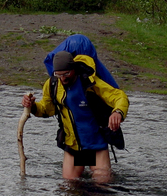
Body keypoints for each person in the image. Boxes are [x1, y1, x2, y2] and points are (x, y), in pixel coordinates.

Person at [21, 49, 128, 181]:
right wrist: (32, 106)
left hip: (96, 146)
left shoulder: (88, 82)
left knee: (102, 187)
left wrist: (117, 112)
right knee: (70, 187)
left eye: (66, 74)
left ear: (74, 69)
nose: (63, 78)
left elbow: (119, 97)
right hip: (74, 147)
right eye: (59, 75)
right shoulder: (53, 85)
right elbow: (46, 109)